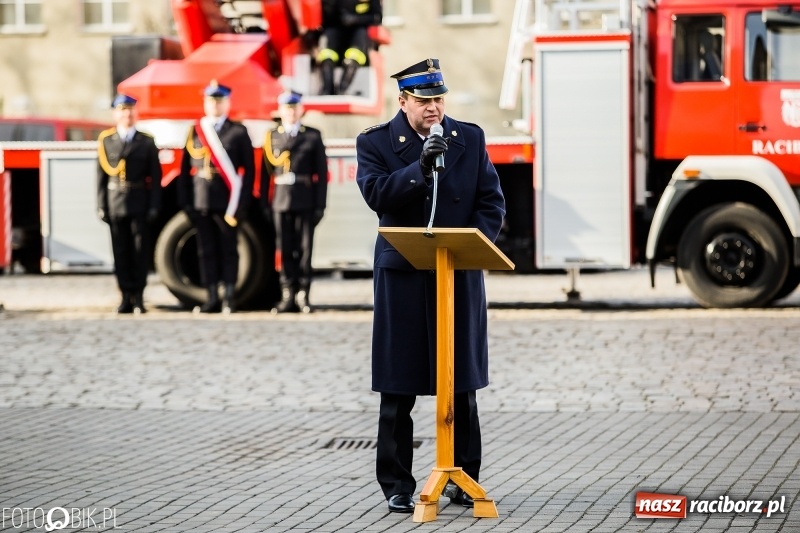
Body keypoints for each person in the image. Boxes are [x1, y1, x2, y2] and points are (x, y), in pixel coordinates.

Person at [355, 58, 506, 513]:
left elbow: (491, 202)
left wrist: (471, 245)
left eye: (439, 99)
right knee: (398, 386)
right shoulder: (376, 142)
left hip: (456, 275)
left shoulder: (470, 137)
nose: (434, 108)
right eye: (424, 101)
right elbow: (376, 194)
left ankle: (464, 475)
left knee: (460, 383)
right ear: (403, 101)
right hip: (403, 276)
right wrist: (418, 168)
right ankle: (397, 482)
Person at [178, 81, 254, 314]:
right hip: (201, 201)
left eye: (219, 101)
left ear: (227, 103)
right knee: (206, 251)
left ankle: (229, 297)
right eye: (211, 101)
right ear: (205, 103)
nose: (215, 105)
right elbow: (184, 172)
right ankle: (211, 297)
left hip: (227, 202)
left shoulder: (238, 132)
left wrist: (241, 205)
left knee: (228, 250)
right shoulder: (195, 131)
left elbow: (249, 171)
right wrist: (186, 203)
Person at [261, 91, 328, 313]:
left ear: (301, 110)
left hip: (305, 198)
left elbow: (321, 174)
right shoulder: (272, 136)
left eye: (294, 107)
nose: (290, 111)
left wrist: (320, 205)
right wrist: (265, 203)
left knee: (305, 249)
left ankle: (303, 295)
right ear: (280, 111)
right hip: (281, 200)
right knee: (285, 249)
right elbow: (265, 174)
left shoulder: (312, 136)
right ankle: (287, 293)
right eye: (286, 108)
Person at [97, 94, 162, 314]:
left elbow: (155, 177)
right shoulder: (107, 140)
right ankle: (125, 296)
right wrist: (101, 205)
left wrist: (154, 205)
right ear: (116, 113)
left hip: (139, 201)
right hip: (116, 201)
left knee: (140, 252)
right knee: (121, 252)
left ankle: (139, 298)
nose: (128, 114)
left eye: (131, 110)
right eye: (123, 110)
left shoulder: (146, 141)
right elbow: (101, 178)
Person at [316, 0, 382, 95]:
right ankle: (327, 89)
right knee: (326, 56)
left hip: (358, 31)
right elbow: (324, 16)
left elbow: (376, 17)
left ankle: (342, 90)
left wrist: (355, 19)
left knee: (353, 57)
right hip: (335, 28)